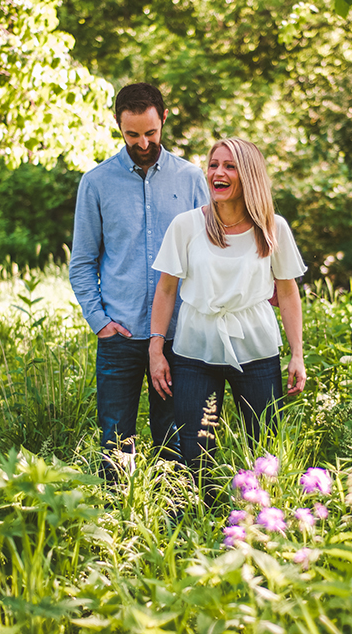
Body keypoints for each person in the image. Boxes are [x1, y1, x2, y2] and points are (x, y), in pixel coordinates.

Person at [148, 137, 306, 502]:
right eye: (214, 164)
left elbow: (287, 292)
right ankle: (199, 523)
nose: (218, 172)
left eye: (229, 166)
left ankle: (260, 520)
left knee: (264, 446)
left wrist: (296, 353)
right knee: (196, 450)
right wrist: (156, 348)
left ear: (248, 175)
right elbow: (166, 290)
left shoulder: (273, 227)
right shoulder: (187, 226)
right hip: (194, 349)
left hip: (256, 349)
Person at [69, 83, 209, 481]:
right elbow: (82, 262)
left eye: (150, 133)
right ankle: (119, 525)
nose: (143, 142)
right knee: (115, 441)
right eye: (132, 135)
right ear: (118, 125)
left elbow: (209, 251)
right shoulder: (95, 183)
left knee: (176, 438)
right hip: (120, 335)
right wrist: (100, 322)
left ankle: (175, 522)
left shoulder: (192, 178)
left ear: (163, 119)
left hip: (180, 337)